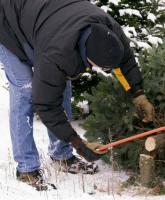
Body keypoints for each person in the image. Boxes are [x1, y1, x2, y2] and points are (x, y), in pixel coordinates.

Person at [0, 0, 154, 191]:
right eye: (100, 67)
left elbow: (126, 61)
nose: (102, 70)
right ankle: (26, 168)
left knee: (62, 85)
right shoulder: (57, 53)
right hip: (7, 23)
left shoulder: (109, 31)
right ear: (87, 56)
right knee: (25, 90)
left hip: (44, 18)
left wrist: (138, 95)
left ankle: (62, 156)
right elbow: (46, 105)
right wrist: (79, 144)